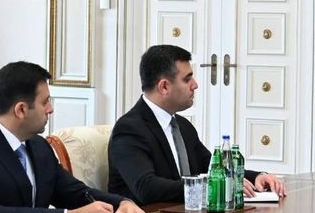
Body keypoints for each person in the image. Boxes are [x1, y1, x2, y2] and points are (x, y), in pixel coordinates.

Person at [0, 61, 154, 213]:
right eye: (45, 102)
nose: (51, 109)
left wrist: (122, 203)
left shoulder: (38, 146)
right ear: (21, 110)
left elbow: (74, 193)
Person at [108, 44, 287, 204]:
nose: (195, 85)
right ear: (164, 87)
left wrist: (256, 177)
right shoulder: (129, 129)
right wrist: (215, 186)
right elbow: (147, 188)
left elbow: (211, 167)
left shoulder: (182, 126)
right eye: (187, 79)